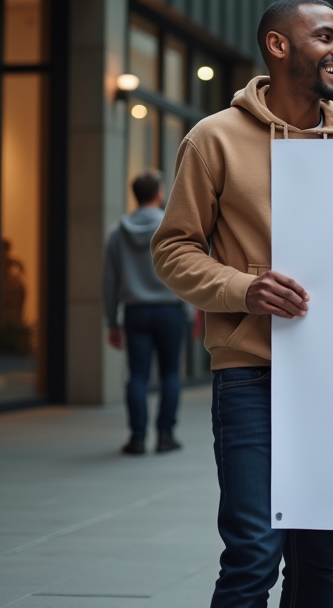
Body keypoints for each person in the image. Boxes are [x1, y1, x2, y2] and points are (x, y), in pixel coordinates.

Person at [153, 0, 333, 606]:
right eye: (325, 38)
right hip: (251, 375)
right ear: (279, 47)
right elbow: (173, 250)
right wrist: (245, 288)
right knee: (253, 550)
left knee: (317, 557)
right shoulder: (213, 139)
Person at [103, 170, 188, 455]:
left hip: (135, 312)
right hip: (170, 309)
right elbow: (186, 269)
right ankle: (166, 435)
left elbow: (109, 281)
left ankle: (137, 437)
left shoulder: (118, 231)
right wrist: (191, 311)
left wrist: (112, 321)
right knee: (170, 374)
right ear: (159, 194)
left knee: (137, 374)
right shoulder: (172, 226)